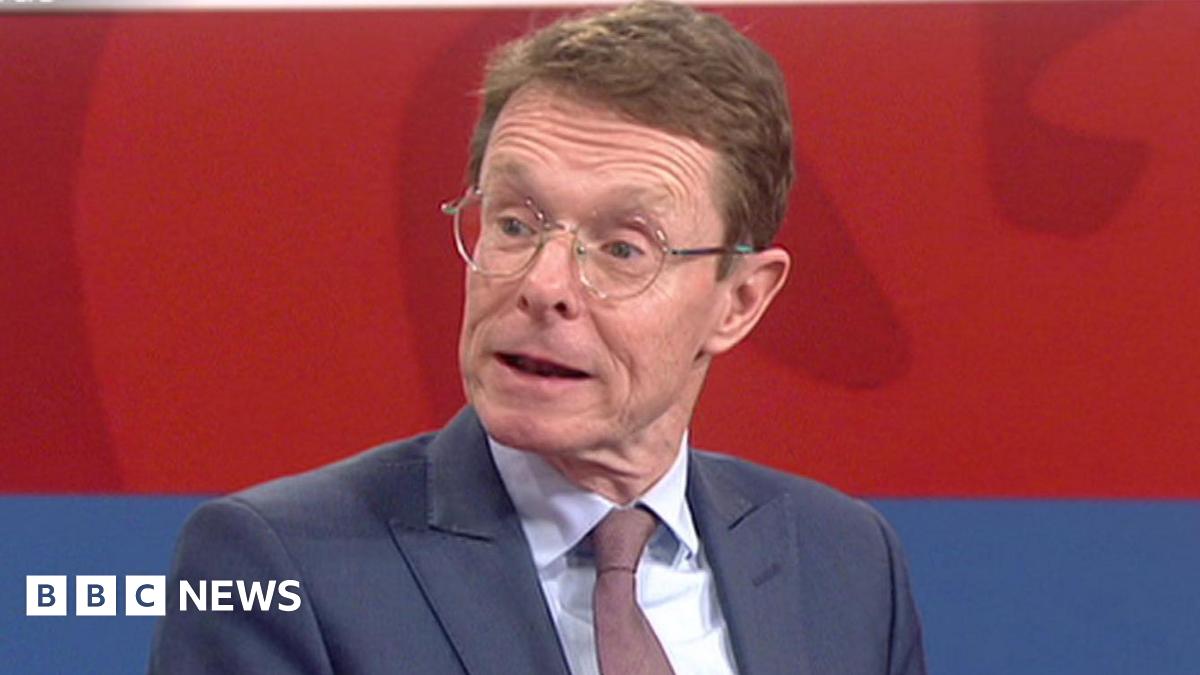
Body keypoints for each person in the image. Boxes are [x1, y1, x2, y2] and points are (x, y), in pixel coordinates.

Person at [149, 2, 926, 673]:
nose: (543, 284)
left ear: (739, 300)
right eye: (516, 223)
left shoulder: (846, 561)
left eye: (624, 247)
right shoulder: (282, 563)